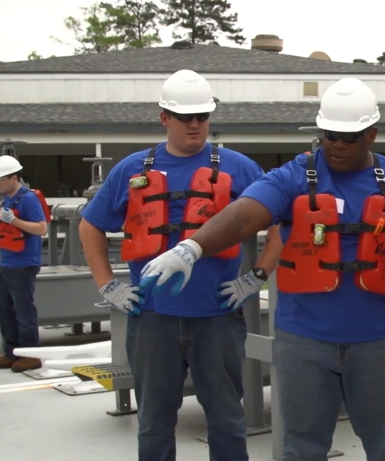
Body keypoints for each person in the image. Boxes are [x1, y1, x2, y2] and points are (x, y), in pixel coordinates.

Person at [137, 77, 385, 461]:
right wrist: (191, 248)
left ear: (372, 134)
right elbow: (245, 214)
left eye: (350, 137)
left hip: (377, 345)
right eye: (330, 136)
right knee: (300, 450)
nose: (338, 145)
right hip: (304, 345)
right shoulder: (294, 176)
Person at [79, 69, 283, 461]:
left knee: (226, 418)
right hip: (152, 319)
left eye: (202, 116)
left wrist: (256, 277)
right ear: (164, 118)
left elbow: (280, 225)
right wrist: (108, 285)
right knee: (154, 421)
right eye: (185, 117)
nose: (195, 125)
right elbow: (90, 226)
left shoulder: (240, 168)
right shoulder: (131, 170)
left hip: (218, 316)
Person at [0, 155, 49, 373]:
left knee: (23, 309)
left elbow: (41, 228)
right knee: (5, 310)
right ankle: (12, 352)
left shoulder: (28, 199)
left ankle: (31, 353)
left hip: (22, 264)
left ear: (13, 177)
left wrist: (13, 221)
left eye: (2, 179)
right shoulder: (8, 199)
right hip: (6, 261)